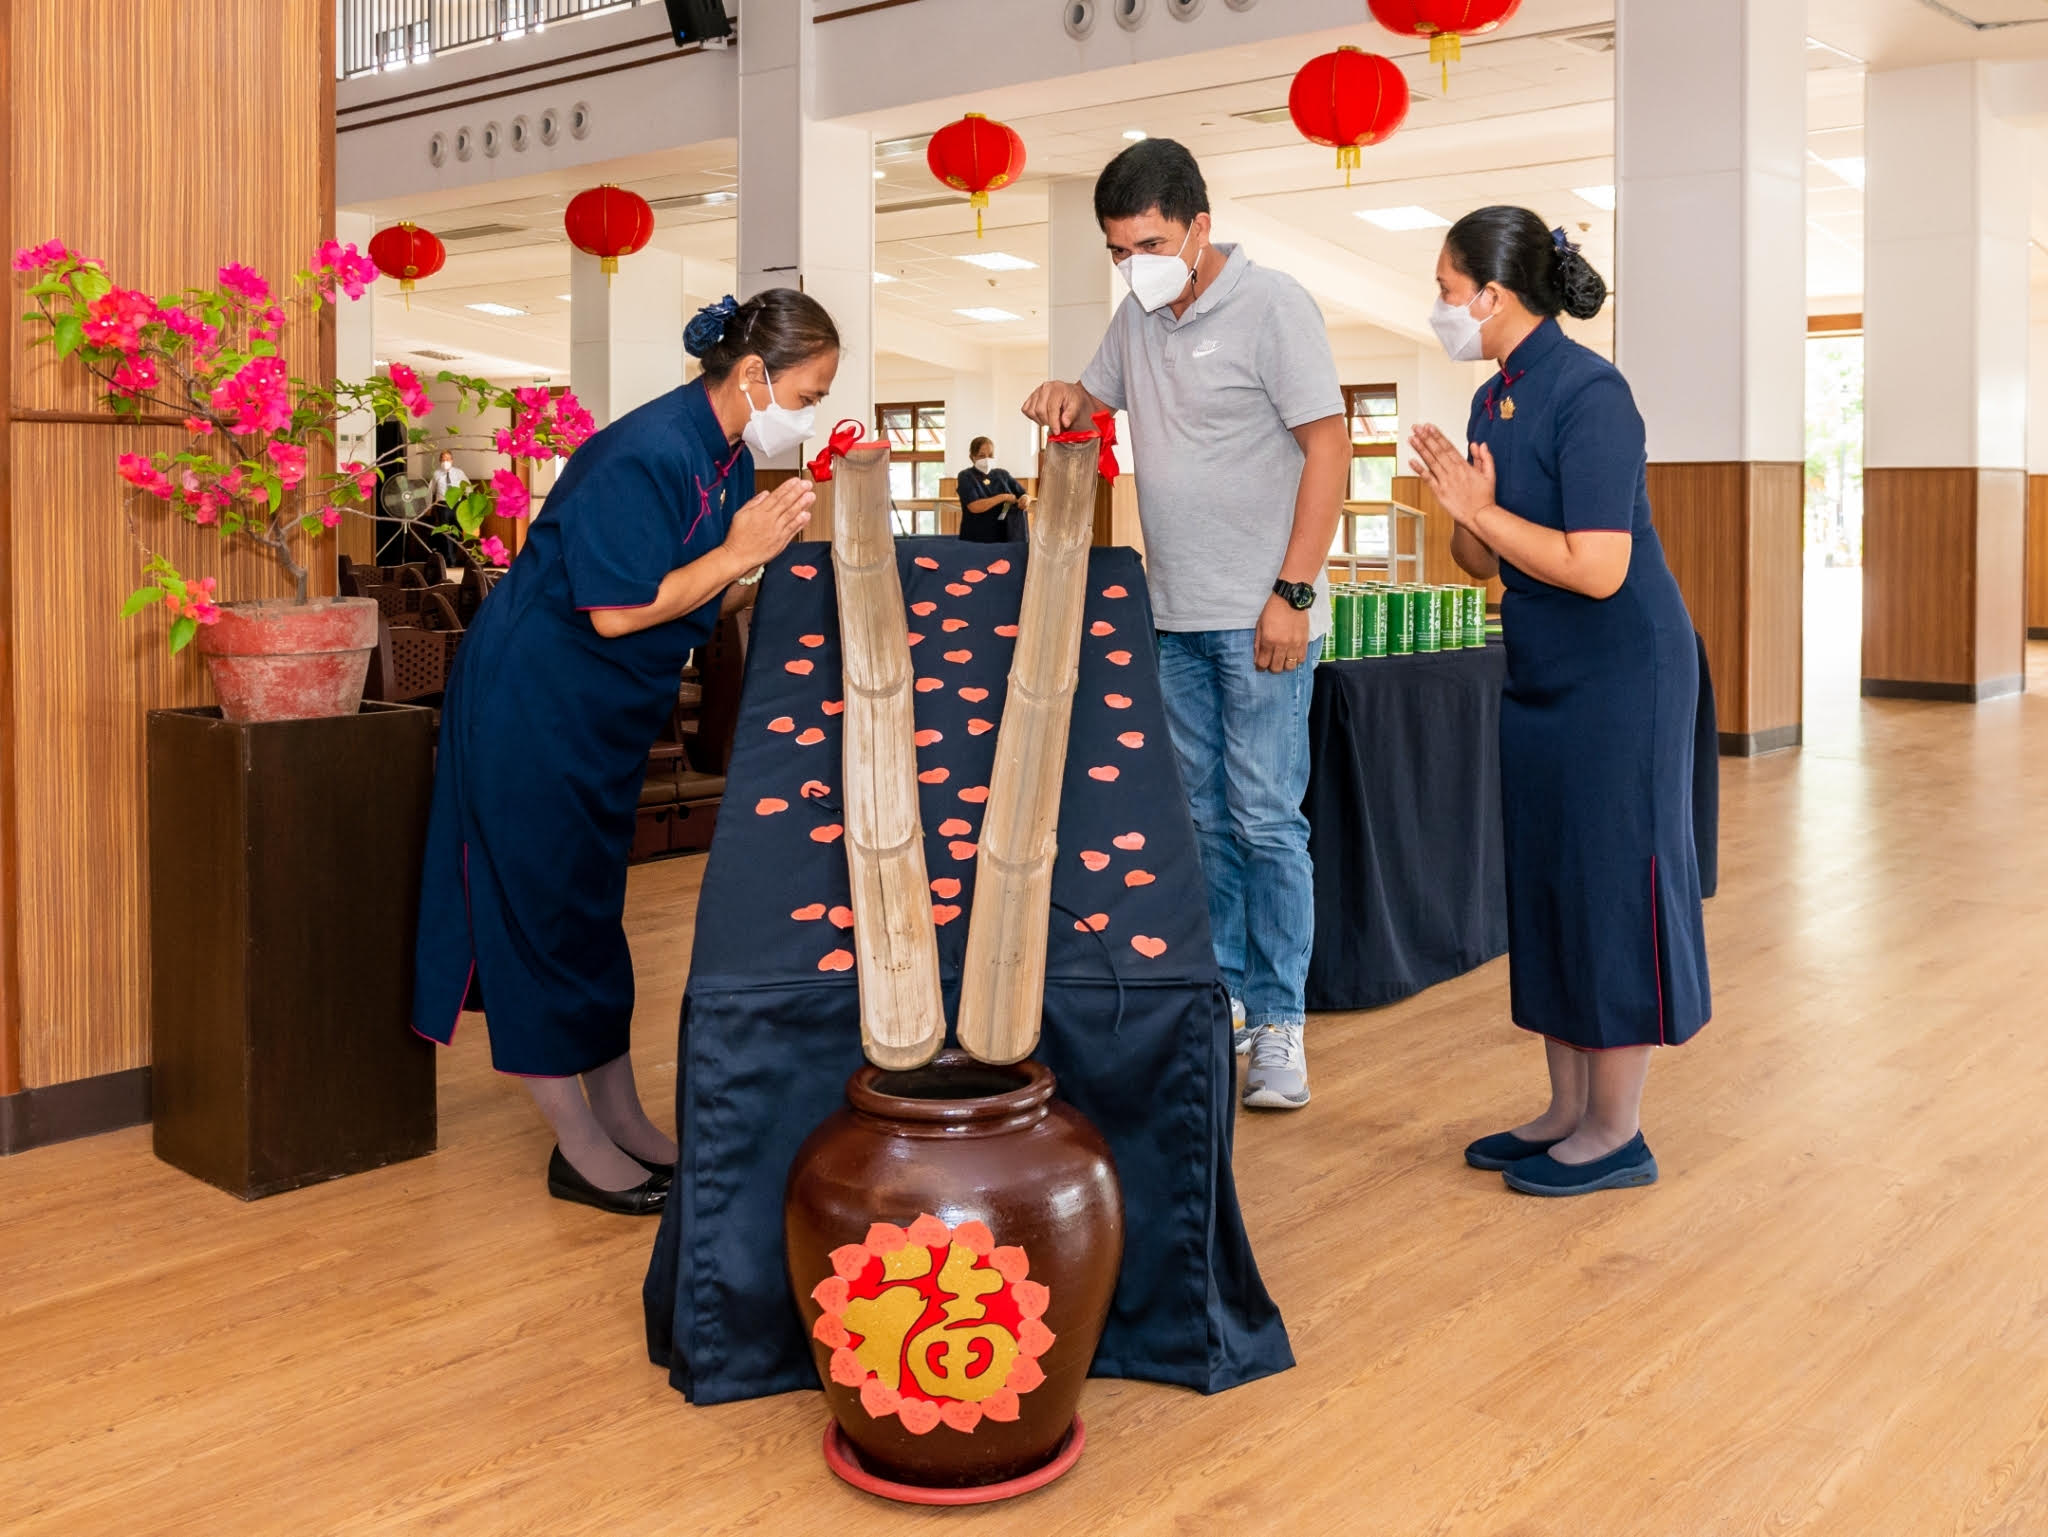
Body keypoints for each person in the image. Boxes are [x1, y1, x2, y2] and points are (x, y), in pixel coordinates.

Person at [411, 289, 836, 1214]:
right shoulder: (642, 452)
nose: (803, 418)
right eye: (805, 396)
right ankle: (576, 1147)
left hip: (598, 713)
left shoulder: (720, 458)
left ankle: (625, 1119)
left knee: (592, 914)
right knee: (540, 912)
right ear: (754, 375)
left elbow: (686, 597)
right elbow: (616, 607)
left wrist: (757, 563)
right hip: (533, 702)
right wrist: (735, 556)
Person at [1022, 138, 1348, 1111]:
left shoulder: (1273, 305)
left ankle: (1281, 1020)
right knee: (1203, 825)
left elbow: (1327, 449)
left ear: (1199, 228)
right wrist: (1060, 396)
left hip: (1262, 617)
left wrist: (1291, 592)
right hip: (1172, 616)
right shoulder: (1133, 318)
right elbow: (1090, 403)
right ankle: (1233, 1004)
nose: (1134, 265)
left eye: (1150, 243)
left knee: (1263, 821)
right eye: (1118, 250)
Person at [1406, 207, 1711, 1197]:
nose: (1441, 308)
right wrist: (1463, 509)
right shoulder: (1494, 398)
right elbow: (1478, 559)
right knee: (1548, 877)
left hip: (1621, 673)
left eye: (1447, 292)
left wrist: (1484, 510)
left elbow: (1595, 567)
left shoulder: (1591, 394)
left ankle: (1616, 1131)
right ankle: (1565, 1110)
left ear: (1491, 296)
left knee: (1608, 882)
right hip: (1540, 667)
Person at [954, 436, 1032, 543]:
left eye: (990, 455)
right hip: (976, 538)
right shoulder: (966, 476)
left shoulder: (1002, 475)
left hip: (1005, 536)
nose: (987, 459)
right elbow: (974, 506)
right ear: (972, 457)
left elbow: (1023, 494)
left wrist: (1025, 499)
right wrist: (1004, 497)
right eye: (981, 456)